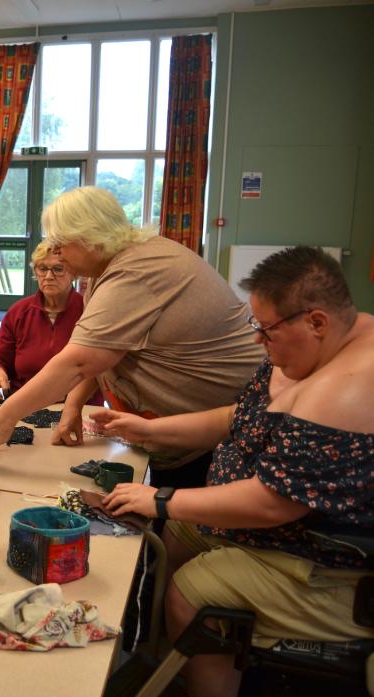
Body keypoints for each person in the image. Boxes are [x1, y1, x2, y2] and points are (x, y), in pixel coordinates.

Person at [99, 247, 374, 697]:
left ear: (316, 322)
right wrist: (150, 428)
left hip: (324, 560)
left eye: (265, 331)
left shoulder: (347, 388)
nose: (257, 343)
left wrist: (162, 499)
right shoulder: (315, 347)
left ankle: (206, 678)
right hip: (274, 526)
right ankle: (169, 655)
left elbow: (272, 504)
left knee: (190, 589)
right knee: (178, 537)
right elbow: (235, 419)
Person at [0, 187, 265, 488]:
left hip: (220, 438)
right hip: (189, 436)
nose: (58, 252)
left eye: (62, 243)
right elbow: (106, 350)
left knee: (181, 522)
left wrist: (6, 416)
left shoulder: (136, 270)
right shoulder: (114, 266)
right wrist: (74, 403)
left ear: (90, 237)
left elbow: (77, 362)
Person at [0, 239, 101, 405]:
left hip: (78, 406)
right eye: (42, 268)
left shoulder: (89, 311)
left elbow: (99, 370)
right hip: (25, 405)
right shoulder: (18, 312)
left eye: (58, 269)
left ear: (74, 272)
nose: (48, 276)